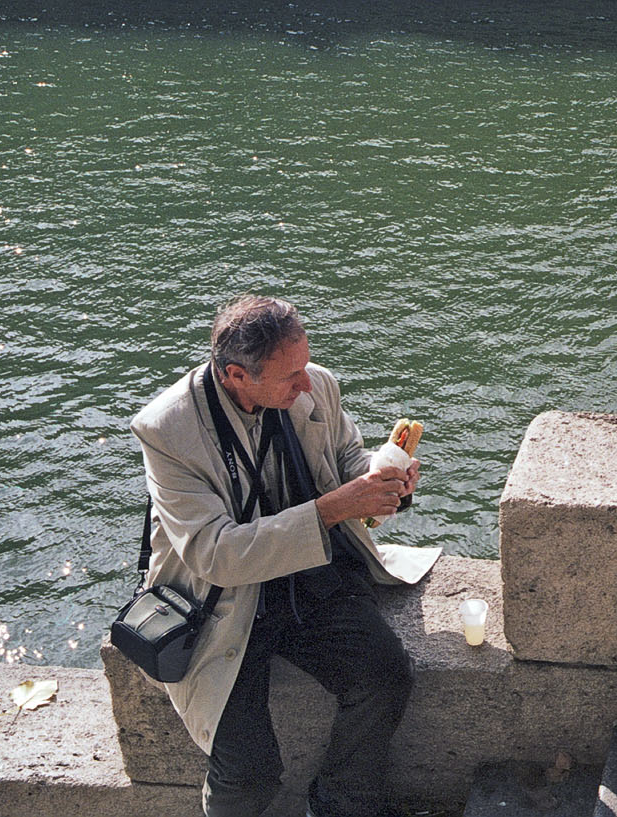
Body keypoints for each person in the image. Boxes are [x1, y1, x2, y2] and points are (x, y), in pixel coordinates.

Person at [131, 295, 442, 817]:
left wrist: (385, 476)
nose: (306, 385)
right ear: (236, 375)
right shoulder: (167, 430)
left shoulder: (315, 384)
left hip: (309, 578)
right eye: (289, 376)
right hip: (222, 602)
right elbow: (215, 554)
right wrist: (330, 510)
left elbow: (346, 459)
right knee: (248, 773)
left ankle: (341, 804)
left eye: (304, 366)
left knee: (385, 674)